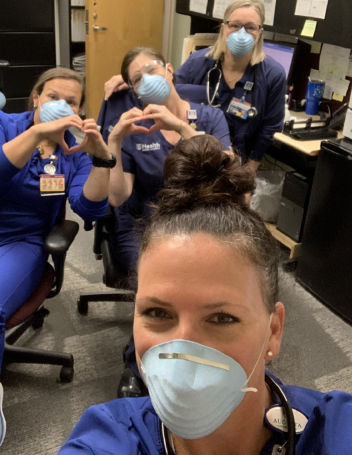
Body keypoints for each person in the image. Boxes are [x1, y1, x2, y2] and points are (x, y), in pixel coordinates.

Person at [57, 135, 352, 455]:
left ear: (273, 331)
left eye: (222, 318)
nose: (184, 349)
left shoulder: (335, 431)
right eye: (157, 313)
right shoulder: (110, 438)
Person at [0, 67, 115, 455]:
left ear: (80, 109)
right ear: (36, 97)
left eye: (72, 101)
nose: (62, 105)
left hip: (19, 242)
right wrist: (39, 133)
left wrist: (102, 160)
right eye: (53, 96)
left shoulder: (73, 150)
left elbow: (89, 208)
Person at [104, 0, 286, 172]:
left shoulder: (273, 75)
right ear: (224, 28)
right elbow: (168, 88)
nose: (241, 33)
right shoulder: (199, 62)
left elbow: (268, 131)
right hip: (196, 157)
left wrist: (246, 176)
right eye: (235, 25)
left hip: (238, 161)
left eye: (250, 27)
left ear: (259, 33)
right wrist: (133, 80)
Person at [107, 46, 231, 275]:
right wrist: (113, 140)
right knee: (163, 277)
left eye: (151, 70)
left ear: (169, 70)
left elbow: (229, 173)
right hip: (147, 226)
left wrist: (181, 127)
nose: (147, 80)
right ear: (136, 91)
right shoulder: (133, 128)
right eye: (137, 79)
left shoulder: (211, 117)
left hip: (202, 222)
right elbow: (116, 197)